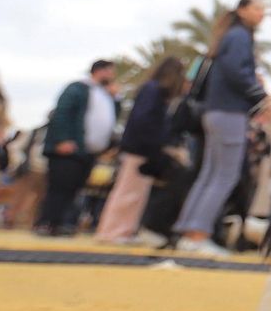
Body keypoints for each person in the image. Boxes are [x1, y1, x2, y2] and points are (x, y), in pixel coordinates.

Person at [172, 0, 270, 257]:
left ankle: (188, 231)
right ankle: (198, 234)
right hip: (229, 112)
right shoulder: (240, 37)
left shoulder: (229, 36)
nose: (263, 14)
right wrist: (260, 95)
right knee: (224, 175)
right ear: (243, 10)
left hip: (216, 112)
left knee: (210, 173)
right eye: (258, 8)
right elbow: (237, 71)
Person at [94, 57, 184, 244]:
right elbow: (144, 121)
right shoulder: (154, 91)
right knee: (128, 192)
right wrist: (157, 144)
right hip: (140, 148)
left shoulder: (152, 90)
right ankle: (113, 232)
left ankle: (122, 231)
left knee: (135, 193)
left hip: (141, 147)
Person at [36, 59, 119, 236]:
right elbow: (62, 113)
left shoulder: (105, 94)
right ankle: (46, 222)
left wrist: (115, 99)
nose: (112, 76)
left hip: (87, 151)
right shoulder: (79, 88)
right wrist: (62, 139)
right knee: (59, 187)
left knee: (74, 189)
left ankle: (62, 224)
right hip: (68, 148)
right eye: (110, 71)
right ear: (99, 71)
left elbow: (112, 118)